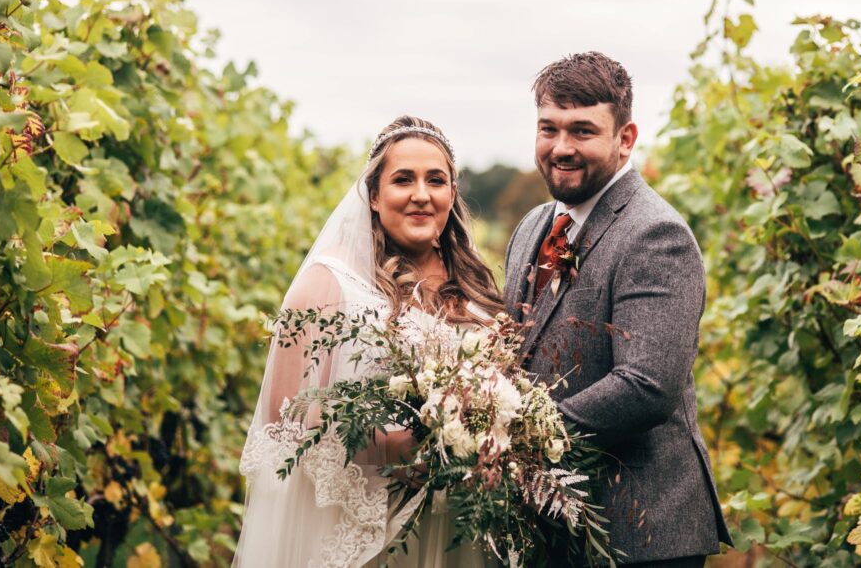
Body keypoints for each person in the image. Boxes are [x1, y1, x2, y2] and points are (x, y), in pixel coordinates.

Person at [233, 116, 504, 568]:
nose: (422, 194)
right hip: (369, 532)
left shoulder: (475, 285)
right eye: (403, 180)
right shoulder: (329, 283)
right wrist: (392, 444)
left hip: (457, 526)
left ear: (451, 194)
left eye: (436, 180)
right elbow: (285, 415)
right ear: (374, 196)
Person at [503, 52, 733, 567]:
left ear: (625, 138)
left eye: (582, 131)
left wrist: (519, 437)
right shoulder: (531, 226)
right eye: (549, 129)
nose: (561, 147)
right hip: (555, 527)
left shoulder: (655, 234)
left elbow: (647, 386)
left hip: (640, 533)